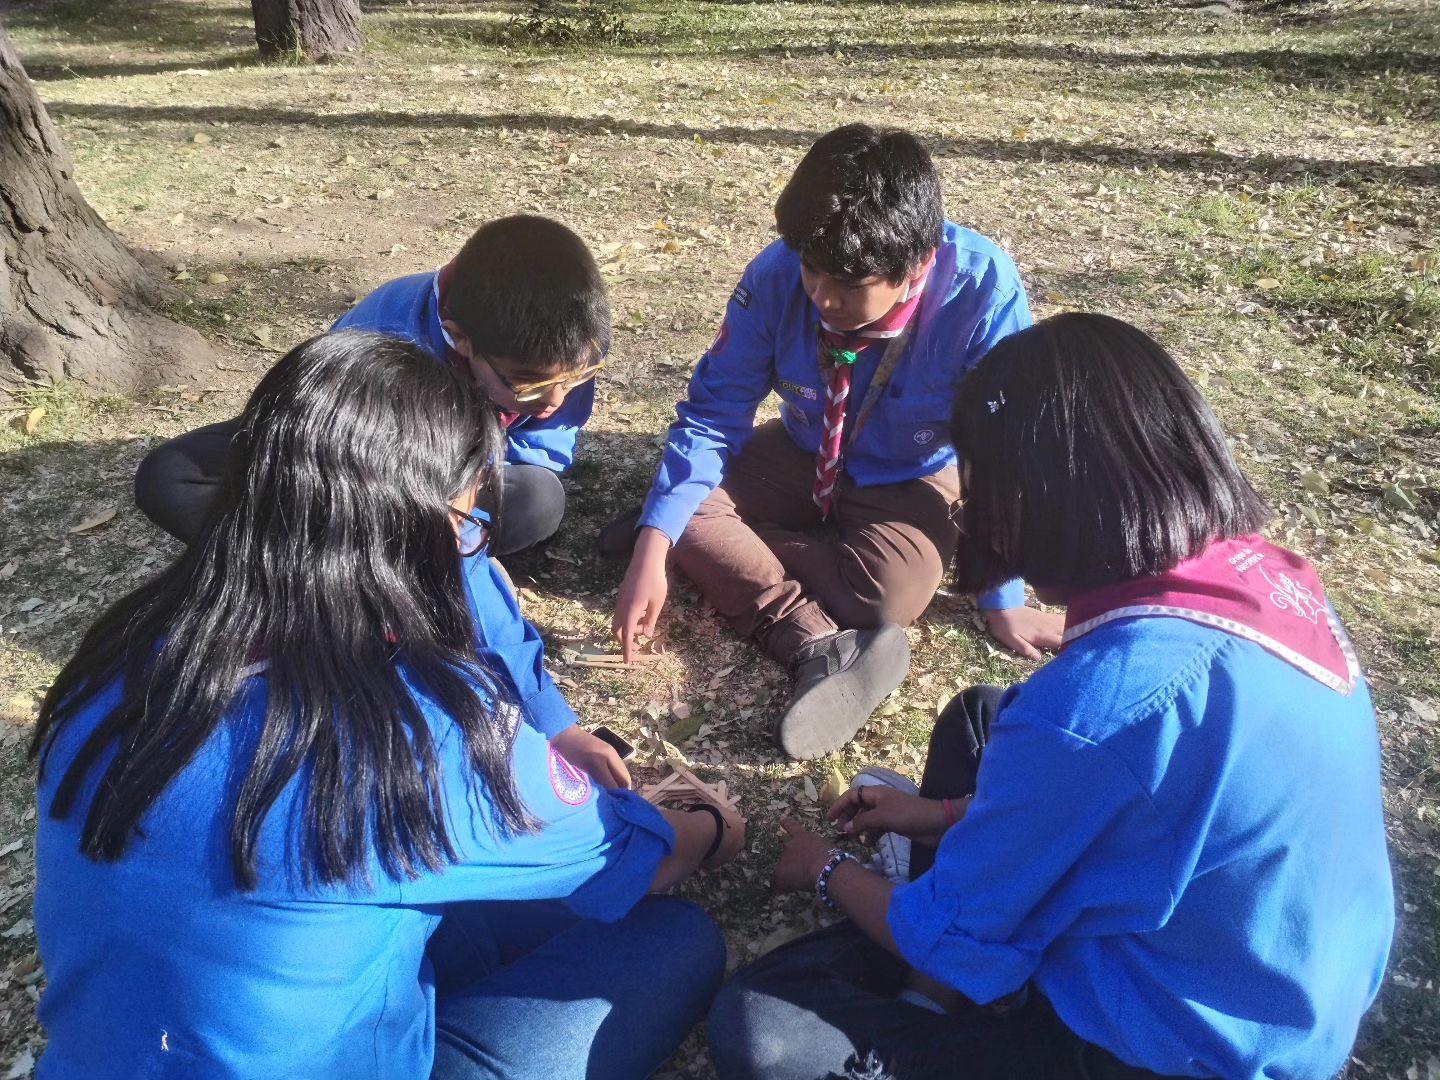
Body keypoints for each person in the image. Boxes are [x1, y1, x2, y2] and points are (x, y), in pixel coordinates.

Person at [33, 331, 740, 1080]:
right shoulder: (421, 732)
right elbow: (634, 855)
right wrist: (717, 823)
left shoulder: (121, 657)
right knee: (675, 939)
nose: (473, 547)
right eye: (471, 523)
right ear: (425, 529)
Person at [708, 313, 1394, 1080]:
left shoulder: (1096, 711)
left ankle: (950, 978)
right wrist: (943, 815)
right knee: (982, 721)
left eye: (981, 493)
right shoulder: (1269, 576)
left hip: (1175, 1050)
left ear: (1039, 502)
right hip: (1278, 982)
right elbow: (1151, 793)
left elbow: (1099, 749)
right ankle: (961, 910)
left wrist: (827, 870)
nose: (971, 516)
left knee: (763, 1028)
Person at [607, 124, 1062, 761]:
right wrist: (655, 548)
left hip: (910, 474)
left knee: (891, 597)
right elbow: (715, 413)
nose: (821, 295)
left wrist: (1002, 601)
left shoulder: (982, 292)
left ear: (913, 268)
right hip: (799, 448)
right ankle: (808, 638)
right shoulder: (774, 277)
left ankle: (711, 541)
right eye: (812, 270)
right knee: (676, 514)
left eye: (847, 284)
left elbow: (1001, 450)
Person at [133, 215, 610, 555]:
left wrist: (464, 485)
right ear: (461, 339)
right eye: (528, 386)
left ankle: (332, 556)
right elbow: (323, 442)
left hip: (449, 485)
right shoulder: (382, 332)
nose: (555, 401)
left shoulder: (565, 350)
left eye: (576, 377)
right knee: (170, 475)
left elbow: (537, 454)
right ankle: (337, 562)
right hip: (358, 467)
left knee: (539, 499)